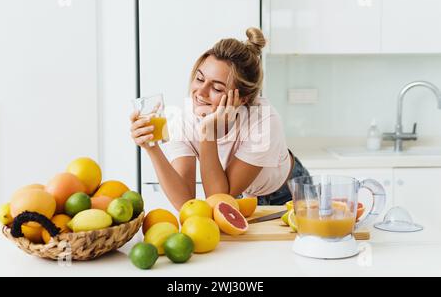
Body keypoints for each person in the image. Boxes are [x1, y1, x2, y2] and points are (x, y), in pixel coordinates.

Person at [130, 27, 309, 211]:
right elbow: (185, 202)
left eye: (216, 88)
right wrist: (152, 147)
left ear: (242, 99)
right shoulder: (185, 120)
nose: (200, 92)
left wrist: (208, 132)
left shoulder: (264, 122)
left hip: (286, 194)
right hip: (241, 194)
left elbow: (218, 198)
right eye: (199, 79)